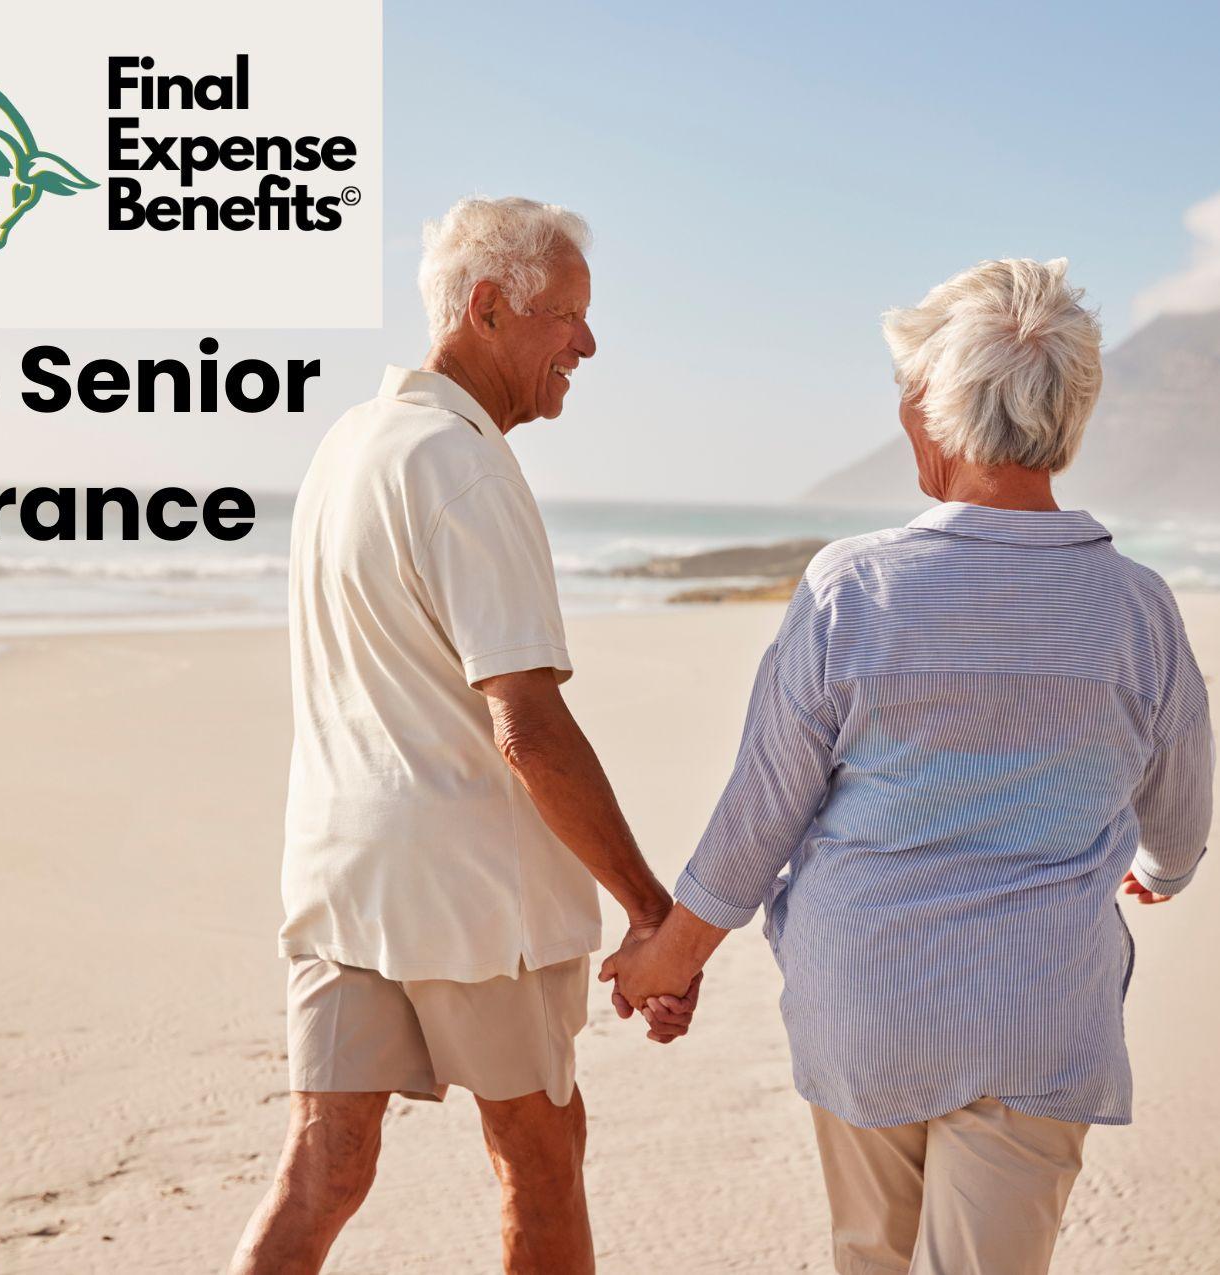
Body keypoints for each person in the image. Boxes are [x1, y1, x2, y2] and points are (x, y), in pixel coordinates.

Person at [604, 257, 1213, 1274]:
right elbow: (1184, 817)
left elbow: (760, 820)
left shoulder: (855, 590)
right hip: (1037, 1012)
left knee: (872, 1258)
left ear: (936, 412)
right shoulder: (1137, 608)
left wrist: (664, 963)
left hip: (871, 1000)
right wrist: (1160, 872)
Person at [229, 196, 697, 1275]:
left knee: (323, 1168)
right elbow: (526, 724)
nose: (587, 342)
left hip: (340, 880)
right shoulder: (465, 465)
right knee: (540, 1157)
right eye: (567, 317)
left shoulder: (349, 443)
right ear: (488, 309)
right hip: (473, 903)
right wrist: (650, 910)